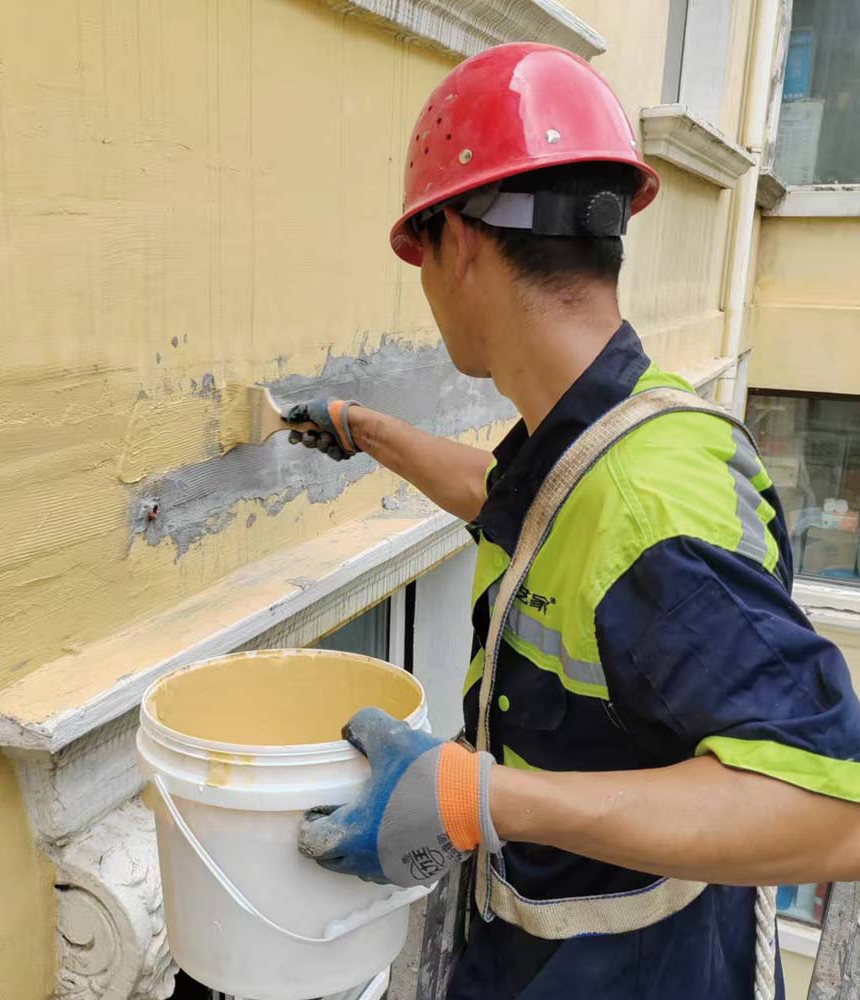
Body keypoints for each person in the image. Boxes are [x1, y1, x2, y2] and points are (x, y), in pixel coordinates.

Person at [291, 43, 860, 1000]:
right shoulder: (610, 427)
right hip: (549, 951)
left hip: (627, 972)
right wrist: (368, 431)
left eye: (421, 255)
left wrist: (479, 797)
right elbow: (523, 507)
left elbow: (831, 811)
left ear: (458, 243)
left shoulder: (650, 506)